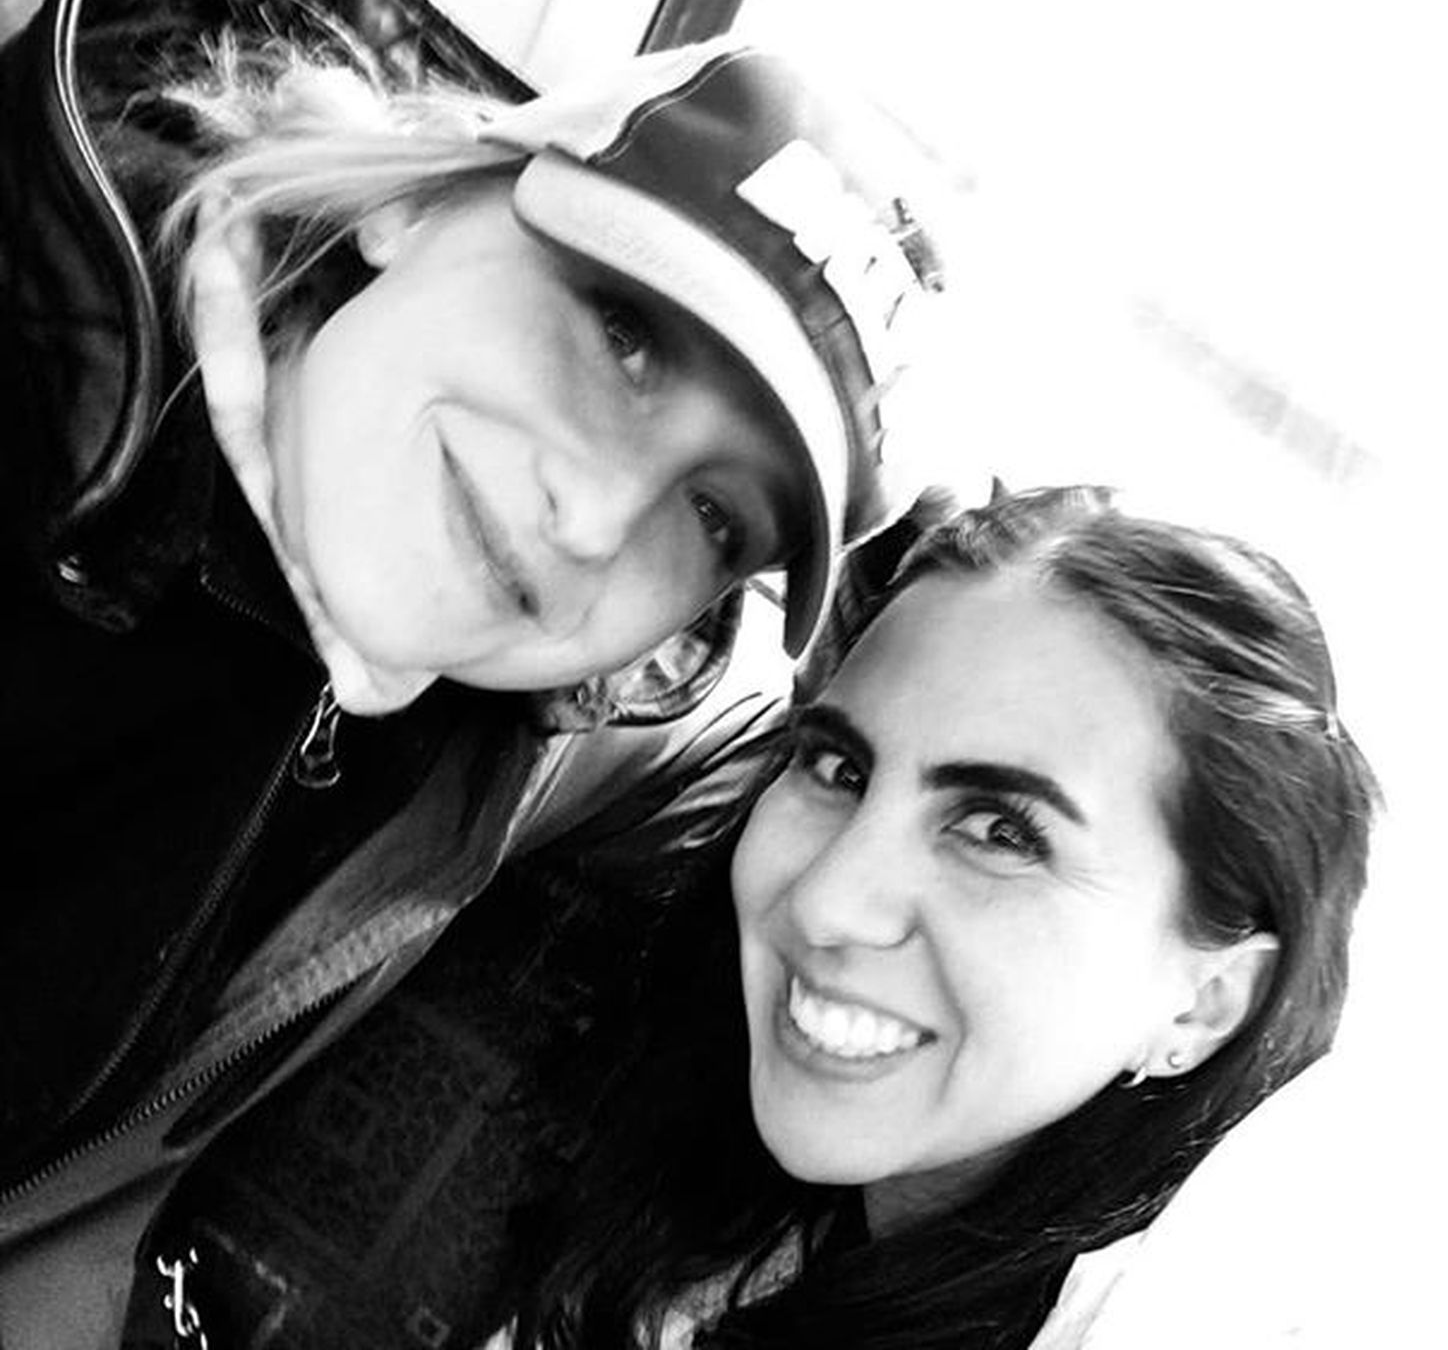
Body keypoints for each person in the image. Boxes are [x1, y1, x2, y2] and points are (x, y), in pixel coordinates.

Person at [0, 0, 949, 1262]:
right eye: (622, 332)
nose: (597, 519)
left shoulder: (543, 714)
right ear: (418, 197)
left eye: (715, 516)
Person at [480, 483, 1376, 1350]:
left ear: (1204, 1004)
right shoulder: (736, 1204)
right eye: (839, 770)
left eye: (1001, 833)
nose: (826, 900)